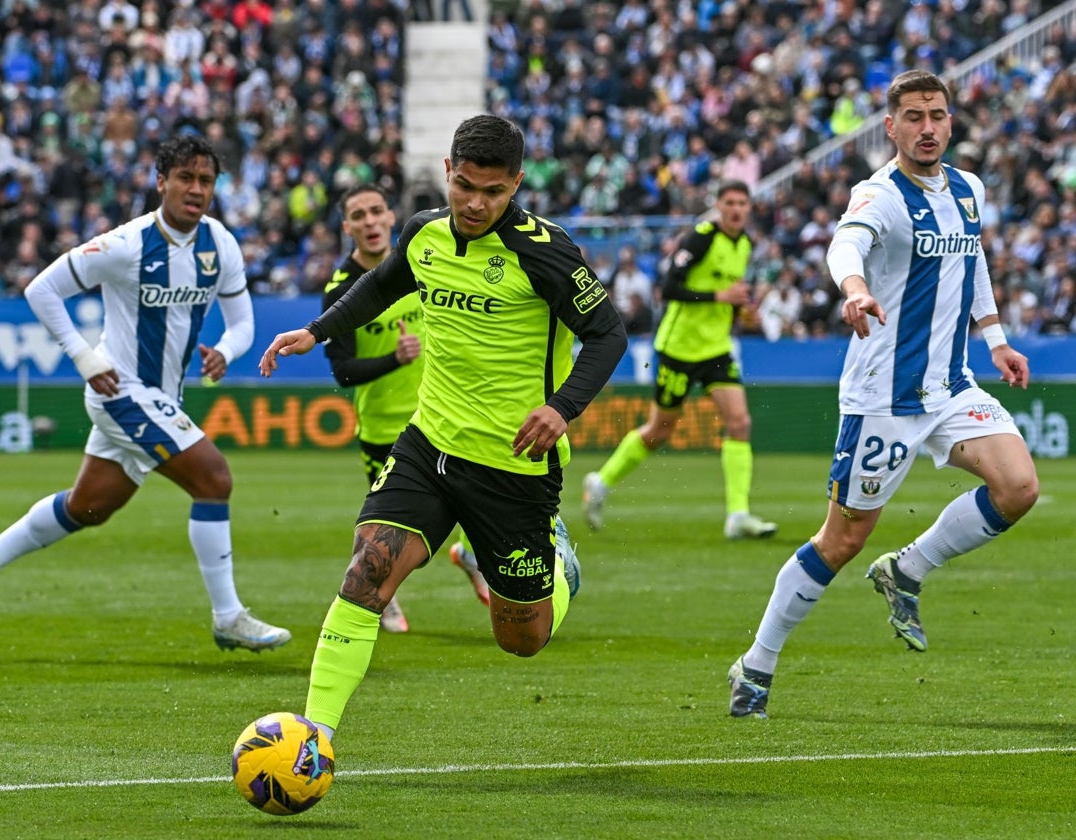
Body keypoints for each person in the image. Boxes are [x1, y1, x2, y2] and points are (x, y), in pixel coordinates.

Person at [260, 115, 628, 742]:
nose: (476, 203)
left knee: (522, 639)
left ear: (516, 184)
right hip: (427, 445)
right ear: (450, 172)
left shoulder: (546, 252)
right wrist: (318, 330)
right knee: (366, 572)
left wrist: (561, 408)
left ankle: (559, 562)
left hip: (512, 464)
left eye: (494, 192)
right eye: (466, 187)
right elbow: (383, 283)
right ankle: (312, 738)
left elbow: (609, 334)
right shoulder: (424, 234)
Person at [728, 70, 1039, 719]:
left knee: (1019, 487)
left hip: (951, 386)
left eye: (937, 115)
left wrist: (996, 338)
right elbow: (848, 243)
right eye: (914, 117)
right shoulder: (880, 195)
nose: (927, 128)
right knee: (842, 541)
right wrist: (853, 289)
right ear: (890, 125)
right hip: (884, 398)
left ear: (952, 122)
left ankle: (908, 569)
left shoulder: (969, 189)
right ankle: (757, 663)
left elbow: (971, 259)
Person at [0, 135, 290, 653]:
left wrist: (226, 349)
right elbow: (40, 289)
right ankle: (228, 616)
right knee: (214, 478)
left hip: (163, 397)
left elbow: (242, 322)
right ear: (162, 182)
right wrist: (84, 357)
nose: (196, 190)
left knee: (89, 507)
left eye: (206, 180)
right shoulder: (125, 245)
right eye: (185, 178)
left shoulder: (219, 243)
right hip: (121, 391)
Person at [324, 182, 491, 634]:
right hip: (384, 429)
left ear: (390, 216)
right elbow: (341, 370)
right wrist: (392, 359)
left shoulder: (424, 263)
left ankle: (471, 555)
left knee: (479, 496)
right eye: (358, 215)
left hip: (444, 415)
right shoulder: (342, 288)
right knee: (390, 528)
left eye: (376, 211)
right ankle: (384, 599)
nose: (370, 221)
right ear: (347, 228)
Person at [582, 180, 777, 540]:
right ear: (718, 205)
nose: (736, 210)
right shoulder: (700, 238)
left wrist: (740, 313)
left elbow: (726, 298)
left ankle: (738, 515)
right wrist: (721, 295)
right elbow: (670, 287)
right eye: (730, 202)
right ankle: (601, 481)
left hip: (716, 348)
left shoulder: (745, 245)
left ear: (750, 208)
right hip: (679, 349)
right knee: (659, 431)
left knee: (740, 423)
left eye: (742, 203)